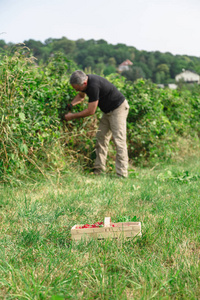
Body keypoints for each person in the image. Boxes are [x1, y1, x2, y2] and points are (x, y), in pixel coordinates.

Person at [65, 70, 129, 177]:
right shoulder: (85, 83)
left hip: (119, 109)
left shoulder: (93, 86)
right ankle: (99, 171)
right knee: (101, 138)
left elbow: (91, 111)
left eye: (77, 88)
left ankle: (122, 174)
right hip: (107, 111)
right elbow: (81, 97)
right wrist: (71, 105)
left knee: (119, 140)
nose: (76, 90)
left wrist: (72, 116)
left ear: (84, 83)